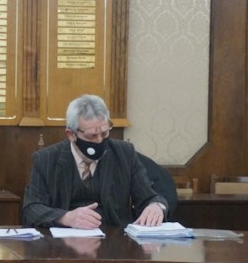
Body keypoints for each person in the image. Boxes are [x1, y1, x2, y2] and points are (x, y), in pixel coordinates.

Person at [22, 94, 168, 229]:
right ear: (71, 134)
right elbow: (31, 209)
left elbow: (149, 197)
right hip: (63, 242)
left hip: (115, 240)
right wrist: (65, 218)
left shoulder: (124, 154)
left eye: (104, 133)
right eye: (91, 136)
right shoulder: (46, 159)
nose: (99, 141)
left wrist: (156, 206)